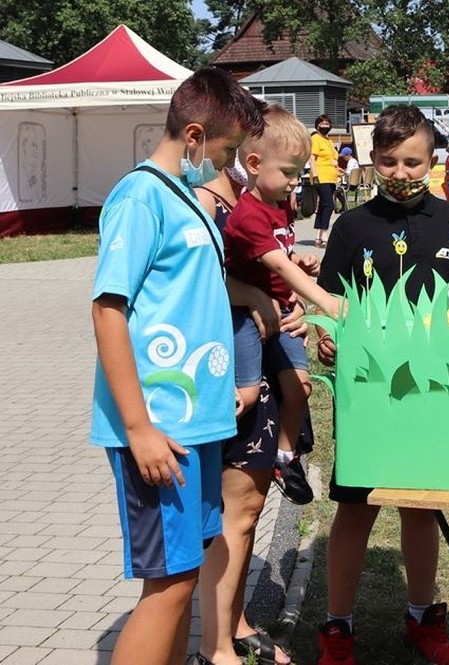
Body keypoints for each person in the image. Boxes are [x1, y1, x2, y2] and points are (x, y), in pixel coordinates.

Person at [89, 66, 265, 665]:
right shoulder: (140, 197)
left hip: (196, 426)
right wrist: (138, 428)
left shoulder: (184, 197)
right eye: (227, 150)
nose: (232, 164)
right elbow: (109, 309)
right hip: (161, 431)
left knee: (179, 582)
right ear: (194, 136)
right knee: (168, 587)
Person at [315, 104, 449, 665]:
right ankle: (337, 628)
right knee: (356, 509)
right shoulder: (350, 226)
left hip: (430, 393)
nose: (401, 173)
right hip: (367, 397)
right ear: (372, 160)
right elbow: (329, 307)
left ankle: (422, 617)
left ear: (432, 161)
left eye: (413, 162)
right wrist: (328, 339)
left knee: (419, 506)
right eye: (389, 162)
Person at [195, 164, 298, 665]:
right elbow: (200, 277)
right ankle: (215, 648)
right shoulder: (199, 202)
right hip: (232, 377)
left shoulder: (249, 204)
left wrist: (286, 305)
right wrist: (257, 296)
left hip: (264, 370)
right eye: (232, 147)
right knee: (233, 517)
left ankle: (234, 626)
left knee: (249, 513)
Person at [223, 106, 340, 506]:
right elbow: (273, 262)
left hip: (283, 312)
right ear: (254, 164)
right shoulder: (246, 215)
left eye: (299, 172)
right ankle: (217, 453)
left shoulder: (279, 204)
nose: (295, 182)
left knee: (301, 388)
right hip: (246, 315)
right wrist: (324, 299)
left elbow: (281, 257)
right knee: (249, 391)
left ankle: (285, 457)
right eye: (289, 172)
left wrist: (300, 261)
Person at [310, 114, 338, 247]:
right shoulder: (316, 138)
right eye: (322, 123)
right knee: (329, 205)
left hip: (331, 176)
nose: (325, 125)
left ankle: (318, 236)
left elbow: (333, 158)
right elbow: (312, 157)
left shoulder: (329, 141)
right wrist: (314, 174)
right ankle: (325, 235)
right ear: (317, 125)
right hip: (321, 176)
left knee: (322, 206)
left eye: (327, 123)